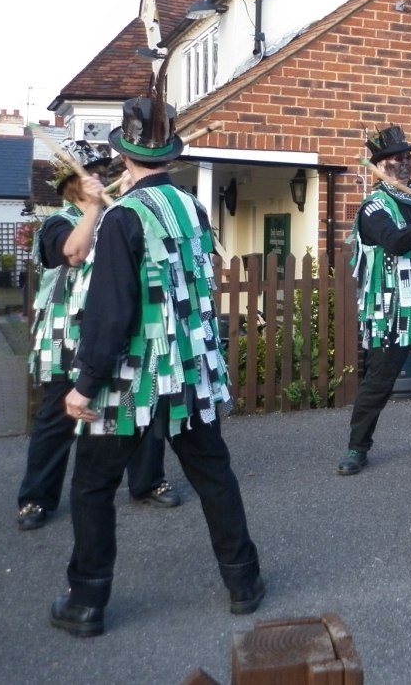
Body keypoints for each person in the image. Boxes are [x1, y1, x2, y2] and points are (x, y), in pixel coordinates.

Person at [49, 95, 263, 637]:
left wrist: (85, 383)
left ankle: (86, 602)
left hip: (132, 377)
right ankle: (244, 583)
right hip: (190, 370)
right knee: (213, 475)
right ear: (169, 156)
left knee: (93, 485)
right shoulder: (192, 207)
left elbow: (112, 308)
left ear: (124, 156)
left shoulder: (123, 216)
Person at [16, 143, 180, 531]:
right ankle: (36, 498)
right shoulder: (57, 224)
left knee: (141, 405)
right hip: (67, 339)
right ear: (70, 184)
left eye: (102, 171)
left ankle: (148, 482)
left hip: (119, 331)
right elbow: (74, 253)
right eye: (90, 172)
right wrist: (93, 208)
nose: (100, 177)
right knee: (57, 418)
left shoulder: (118, 216)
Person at [338, 124, 411, 475]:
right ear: (381, 166)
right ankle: (357, 448)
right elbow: (397, 243)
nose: (405, 161)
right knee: (378, 384)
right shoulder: (374, 208)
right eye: (398, 158)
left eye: (408, 156)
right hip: (392, 310)